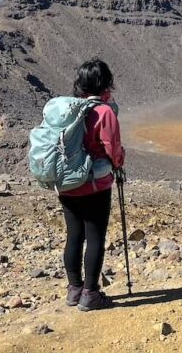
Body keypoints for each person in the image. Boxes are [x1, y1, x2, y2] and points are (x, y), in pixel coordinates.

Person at [56, 59, 125, 311]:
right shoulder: (104, 112)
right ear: (105, 82)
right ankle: (90, 294)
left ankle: (74, 290)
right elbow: (112, 148)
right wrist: (118, 162)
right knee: (95, 237)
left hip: (66, 183)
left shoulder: (68, 108)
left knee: (74, 235)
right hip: (94, 185)